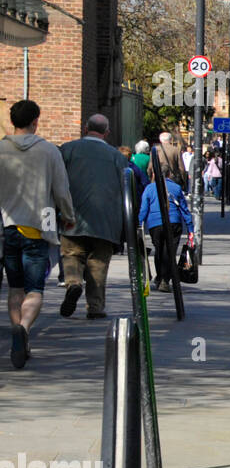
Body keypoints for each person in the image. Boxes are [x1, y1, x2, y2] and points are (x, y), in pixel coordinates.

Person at [0, 100, 76, 368]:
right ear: (36, 121)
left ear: (12, 121)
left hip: (7, 225)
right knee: (35, 289)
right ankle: (24, 328)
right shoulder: (47, 151)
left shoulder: (1, 150)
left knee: (15, 288)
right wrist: (68, 216)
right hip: (38, 227)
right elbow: (61, 189)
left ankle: (16, 332)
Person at [59, 114, 130, 320]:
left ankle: (73, 283)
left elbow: (57, 181)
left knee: (72, 254)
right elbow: (126, 190)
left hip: (73, 215)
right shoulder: (117, 157)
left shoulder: (68, 150)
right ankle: (95, 307)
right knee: (98, 263)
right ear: (106, 133)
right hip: (106, 221)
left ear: (85, 128)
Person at [139, 172, 194, 293]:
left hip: (155, 224)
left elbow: (144, 209)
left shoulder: (149, 188)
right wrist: (190, 228)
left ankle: (160, 277)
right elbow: (184, 209)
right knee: (170, 252)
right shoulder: (176, 188)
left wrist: (138, 223)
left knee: (159, 251)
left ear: (154, 174)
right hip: (174, 223)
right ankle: (164, 279)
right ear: (169, 174)